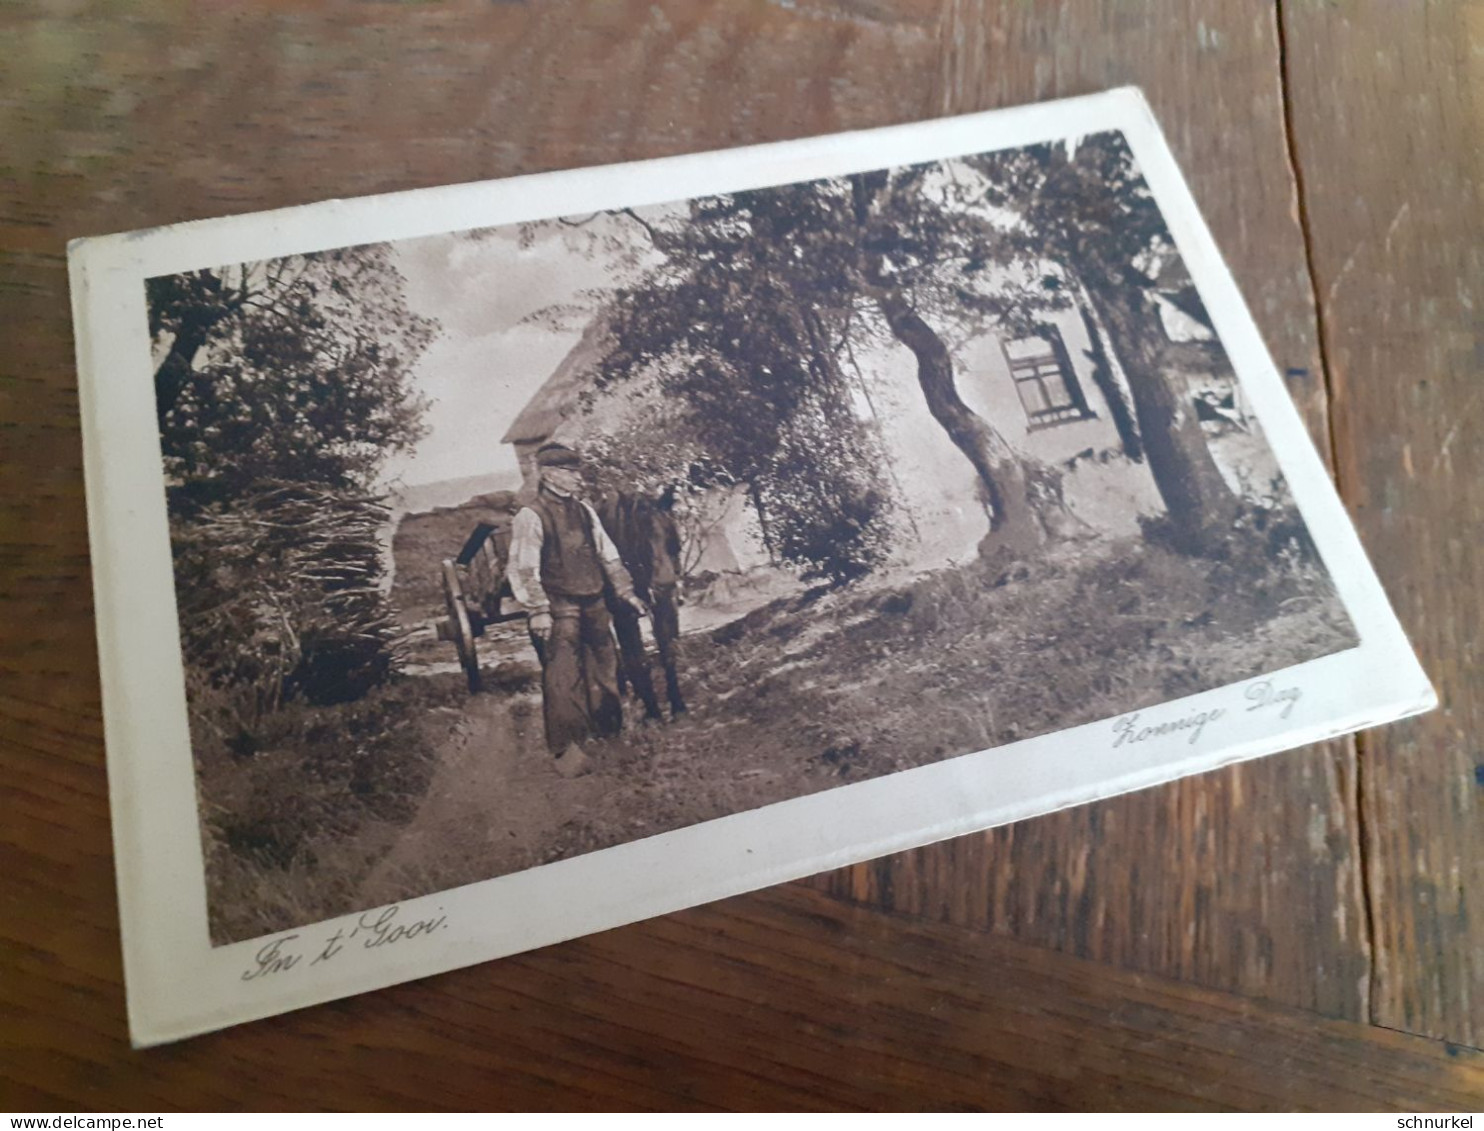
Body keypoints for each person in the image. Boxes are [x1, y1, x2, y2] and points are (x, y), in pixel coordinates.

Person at [505, 443, 647, 774]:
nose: (577, 478)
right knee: (563, 676)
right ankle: (568, 753)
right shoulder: (531, 516)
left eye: (576, 472)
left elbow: (608, 554)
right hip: (559, 606)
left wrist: (626, 591)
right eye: (570, 472)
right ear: (549, 475)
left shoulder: (584, 511)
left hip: (594, 600)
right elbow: (525, 569)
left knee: (605, 667)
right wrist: (538, 609)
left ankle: (610, 738)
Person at [598, 488, 687, 721]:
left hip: (661, 577)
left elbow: (672, 548)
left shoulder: (658, 514)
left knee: (668, 638)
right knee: (629, 640)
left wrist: (675, 576)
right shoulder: (606, 511)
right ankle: (649, 704)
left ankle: (676, 697)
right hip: (626, 572)